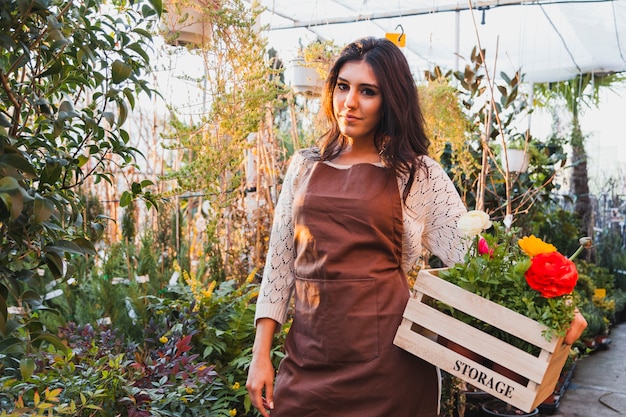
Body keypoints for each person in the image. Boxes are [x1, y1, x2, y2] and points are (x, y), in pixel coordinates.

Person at [246, 37, 586, 417]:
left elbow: (477, 255)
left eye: (368, 91)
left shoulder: (416, 174)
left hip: (391, 369)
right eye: (343, 86)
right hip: (307, 362)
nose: (350, 102)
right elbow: (279, 265)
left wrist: (557, 302)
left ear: (390, 100)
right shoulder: (303, 166)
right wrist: (261, 355)